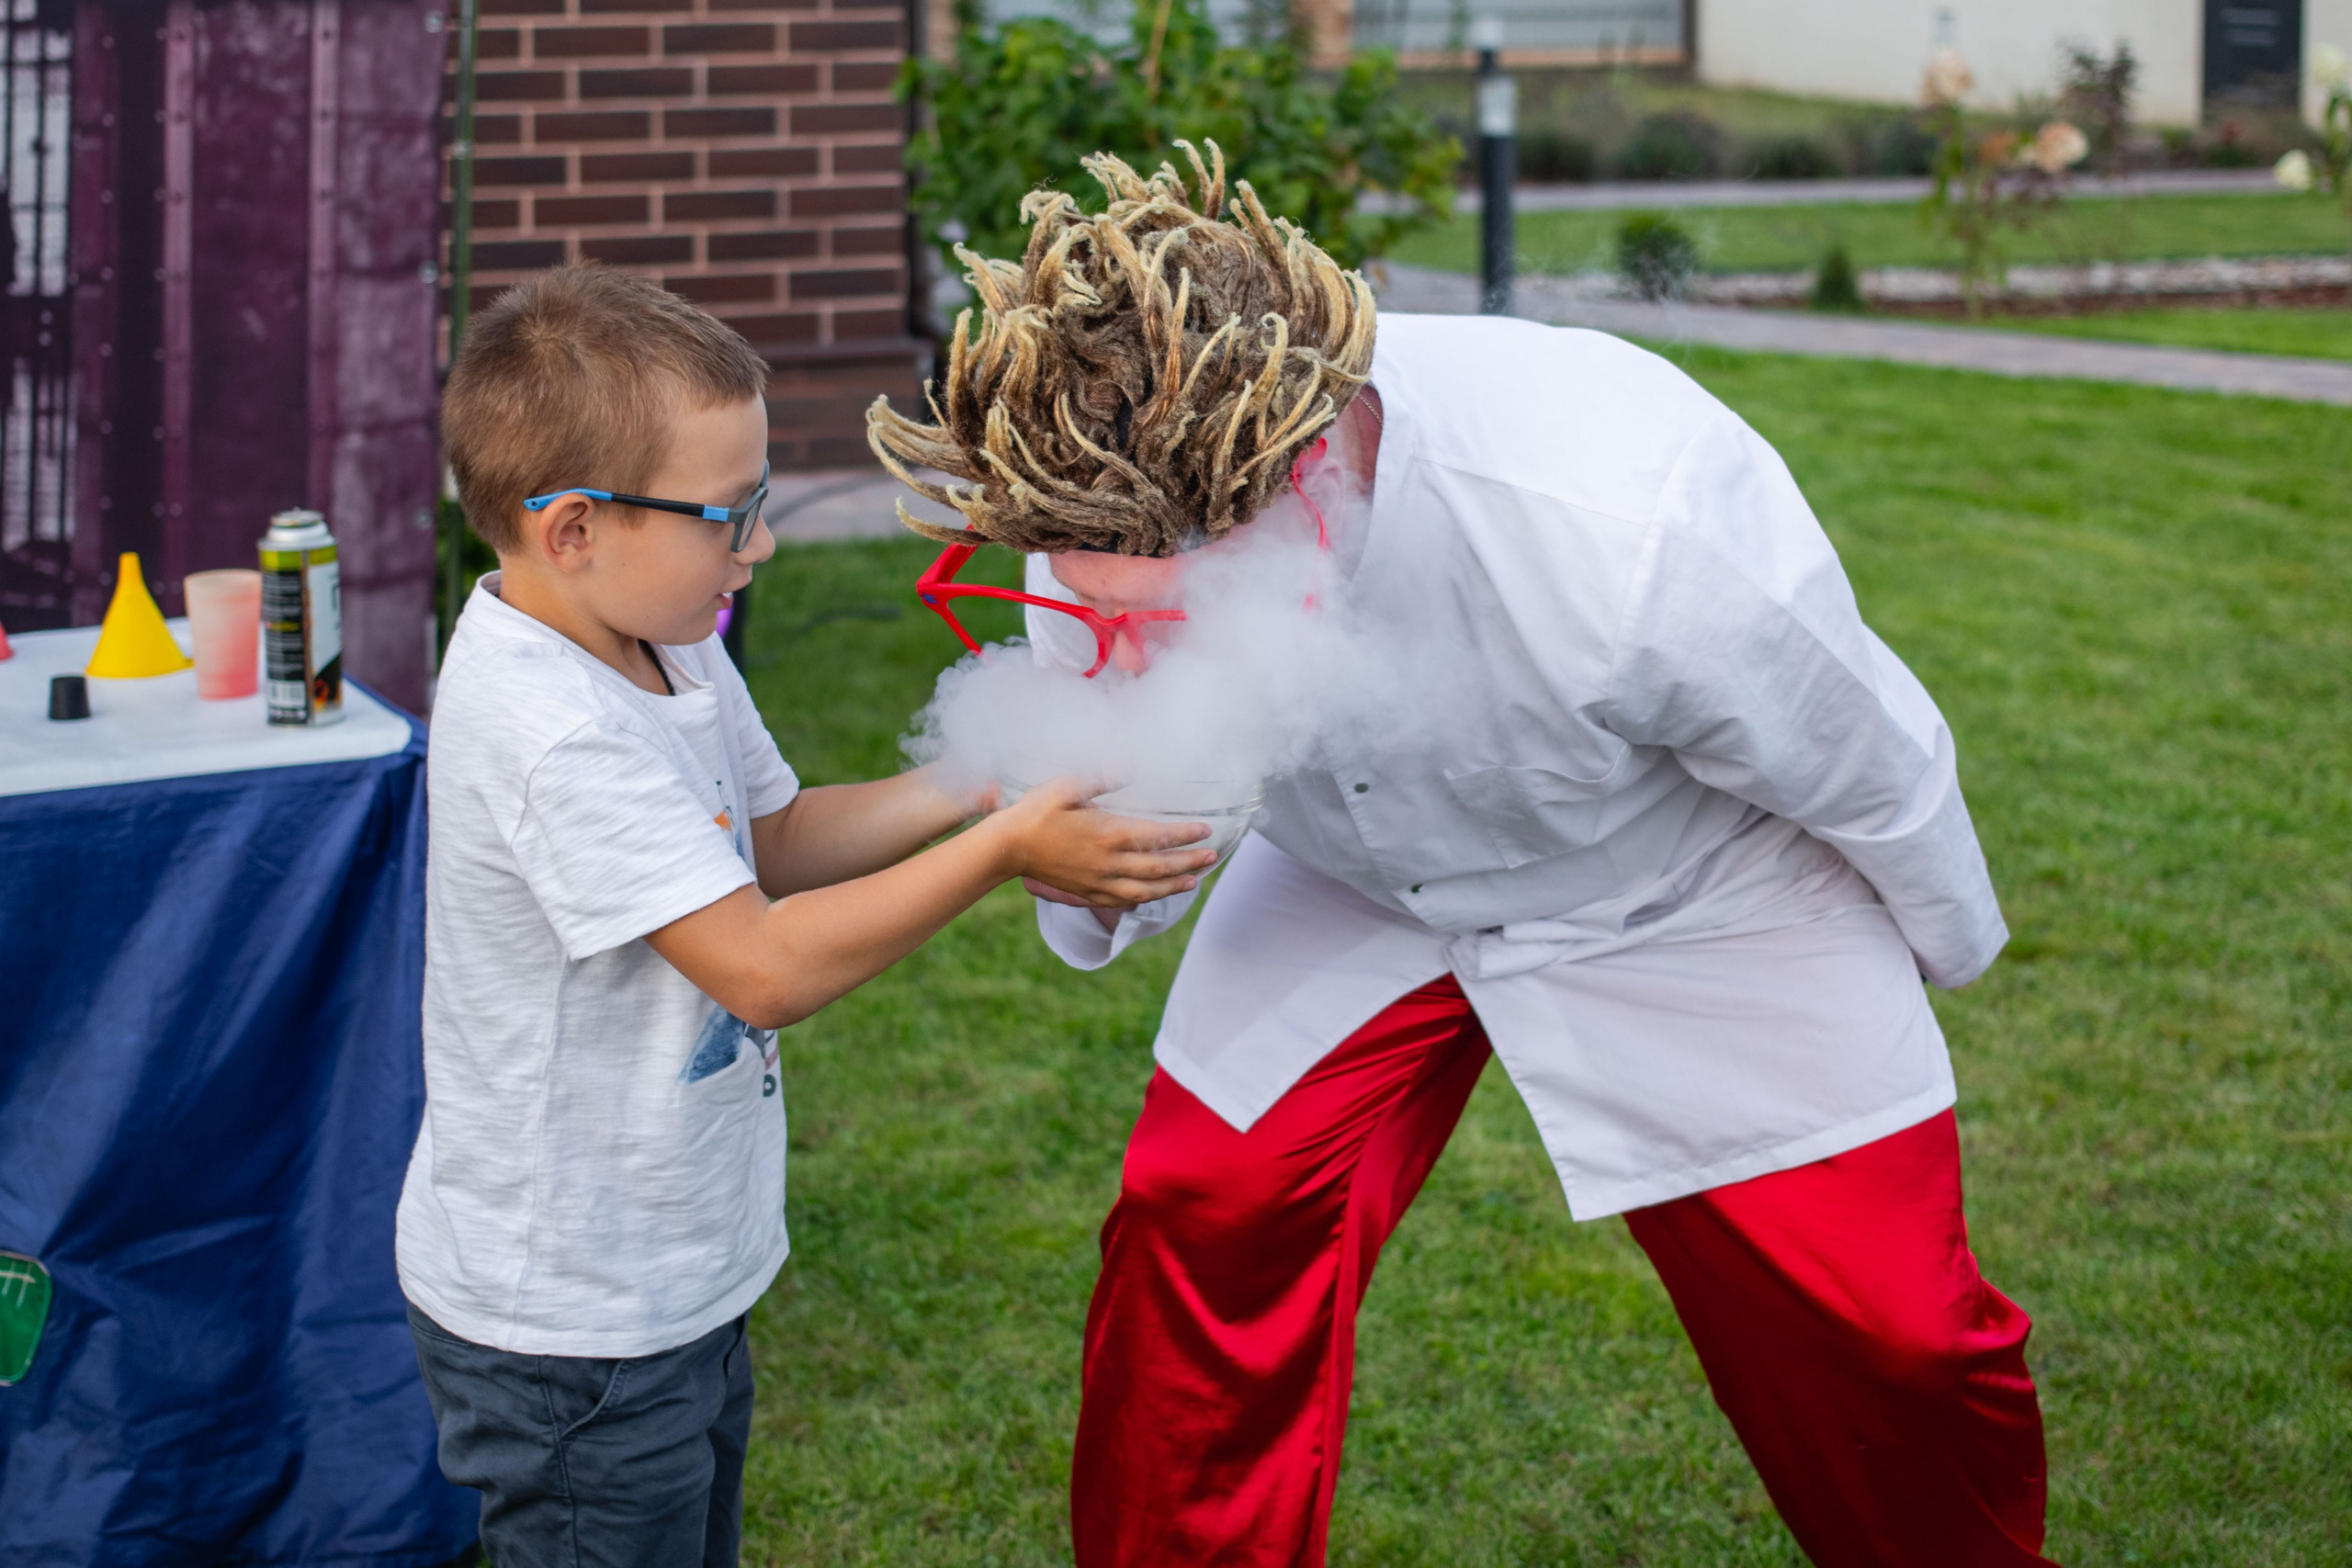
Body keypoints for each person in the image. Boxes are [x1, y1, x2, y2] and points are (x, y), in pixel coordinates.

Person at [869, 148, 2054, 1567]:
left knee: (1899, 1335)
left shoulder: (1628, 515)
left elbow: (1851, 742)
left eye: (1169, 594)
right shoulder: (1102, 478)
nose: (1105, 612)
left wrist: (1949, 942)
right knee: (1206, 1205)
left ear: (1297, 480)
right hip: (1351, 882)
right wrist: (1088, 851)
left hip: (1681, 884)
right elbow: (1136, 731)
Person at [397, 265, 1216, 1568]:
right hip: (571, 1320)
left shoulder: (665, 631)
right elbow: (761, 968)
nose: (760, 548)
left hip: (671, 1277)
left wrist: (981, 775)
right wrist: (1004, 848)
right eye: (731, 517)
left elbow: (772, 843)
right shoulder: (552, 731)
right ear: (572, 531)